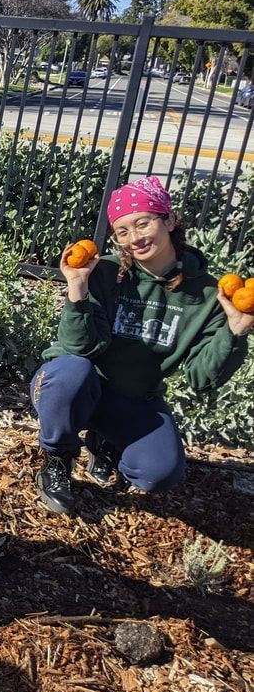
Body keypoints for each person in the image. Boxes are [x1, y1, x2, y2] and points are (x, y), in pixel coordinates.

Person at [32, 176, 252, 515]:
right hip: (77, 385)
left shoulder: (209, 295)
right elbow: (77, 347)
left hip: (133, 399)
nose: (134, 238)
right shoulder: (104, 272)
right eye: (123, 231)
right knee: (71, 370)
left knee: (159, 473)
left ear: (169, 220)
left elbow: (200, 378)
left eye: (143, 223)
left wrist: (233, 333)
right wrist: (77, 289)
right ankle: (57, 457)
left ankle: (103, 440)